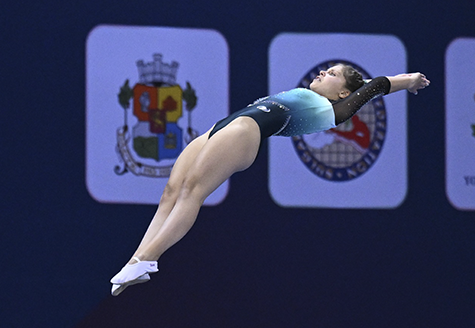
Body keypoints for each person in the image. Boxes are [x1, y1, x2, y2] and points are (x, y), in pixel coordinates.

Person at [110, 63, 430, 295]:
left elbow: (374, 87)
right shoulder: (312, 95)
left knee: (192, 190)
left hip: (246, 132)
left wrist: (408, 79)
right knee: (171, 191)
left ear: (344, 93)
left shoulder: (331, 111)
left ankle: (150, 259)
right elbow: (367, 84)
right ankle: (137, 258)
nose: (322, 73)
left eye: (332, 74)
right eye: (325, 70)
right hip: (227, 125)